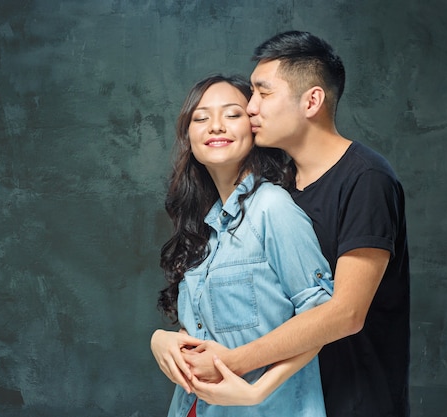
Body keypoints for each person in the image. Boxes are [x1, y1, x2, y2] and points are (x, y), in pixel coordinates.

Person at [159, 31, 411, 417]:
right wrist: (163, 340)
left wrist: (245, 378)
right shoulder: (280, 186)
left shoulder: (365, 179)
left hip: (354, 398)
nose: (251, 107)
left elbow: (343, 313)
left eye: (262, 94)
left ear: (311, 101)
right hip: (291, 393)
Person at [152, 74, 334, 416]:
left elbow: (322, 318)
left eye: (232, 114)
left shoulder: (273, 208)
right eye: (201, 118)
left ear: (254, 127)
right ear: (188, 136)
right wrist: (162, 340)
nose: (215, 126)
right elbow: (208, 328)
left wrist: (255, 391)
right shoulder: (203, 224)